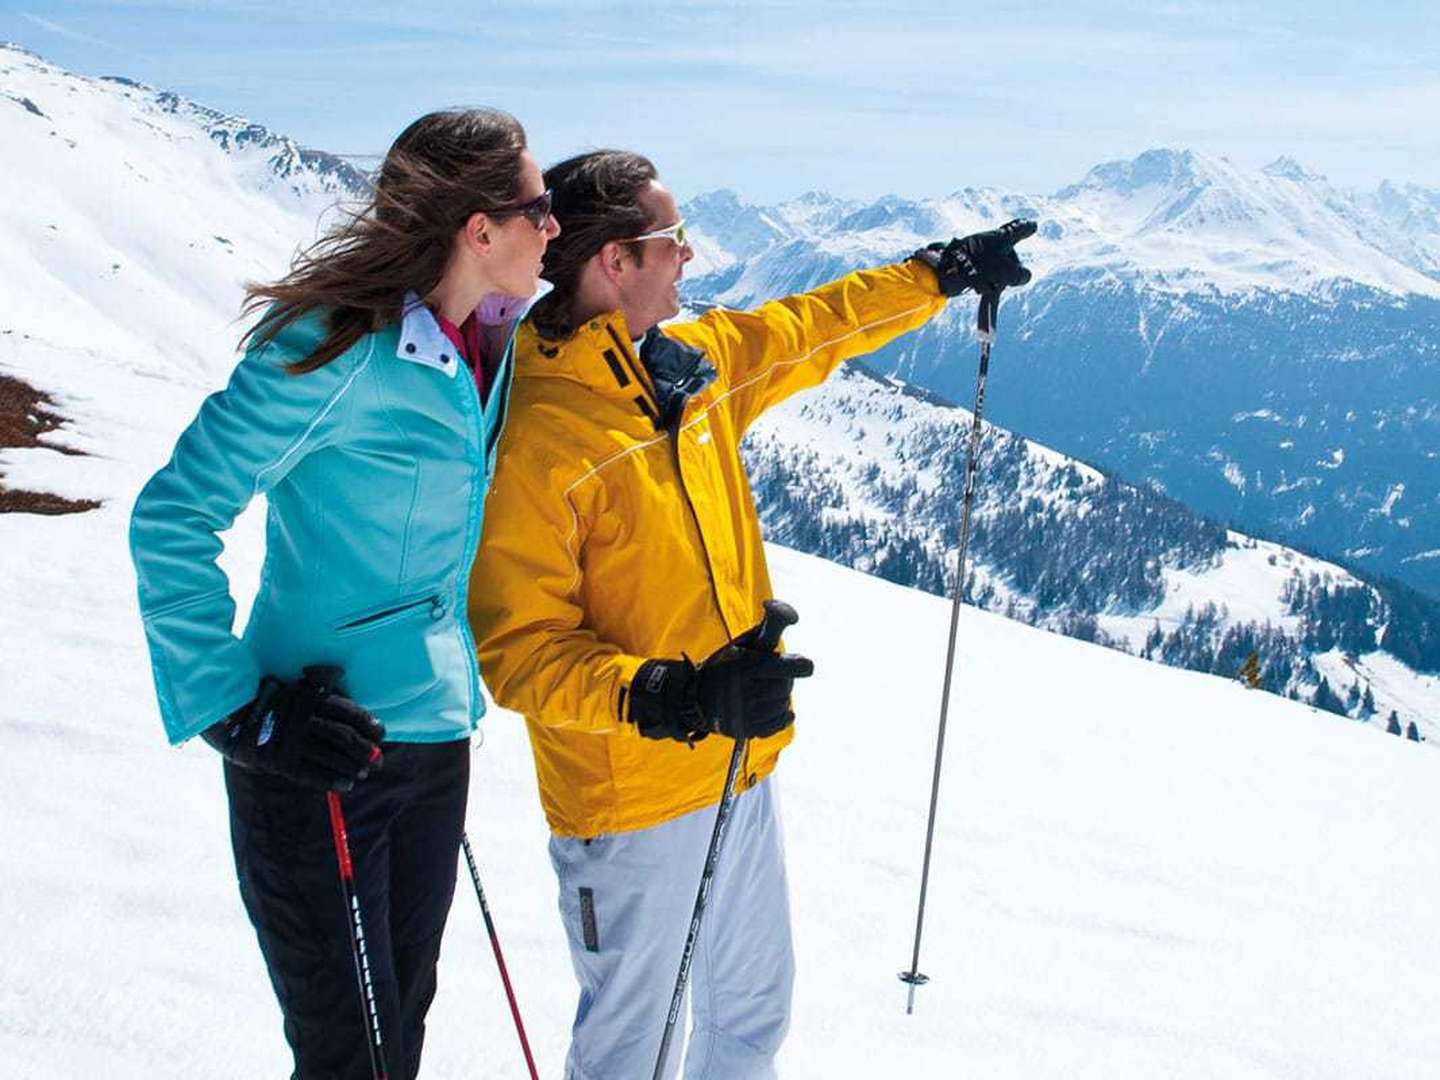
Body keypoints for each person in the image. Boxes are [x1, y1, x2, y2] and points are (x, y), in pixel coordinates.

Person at [469, 148, 1034, 1078]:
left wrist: (939, 273)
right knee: (630, 1056)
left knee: (750, 1023)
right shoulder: (543, 433)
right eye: (672, 240)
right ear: (614, 262)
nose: (690, 256)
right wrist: (674, 698)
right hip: (631, 803)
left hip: (738, 766)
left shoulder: (687, 368)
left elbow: (811, 327)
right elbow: (518, 651)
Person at [128, 108, 559, 1079]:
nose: (556, 226)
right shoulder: (330, 350)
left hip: (435, 741)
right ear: (478, 230)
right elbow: (172, 516)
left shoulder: (487, 343)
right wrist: (238, 710)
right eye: (539, 207)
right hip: (319, 749)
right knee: (347, 1059)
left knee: (394, 1045)